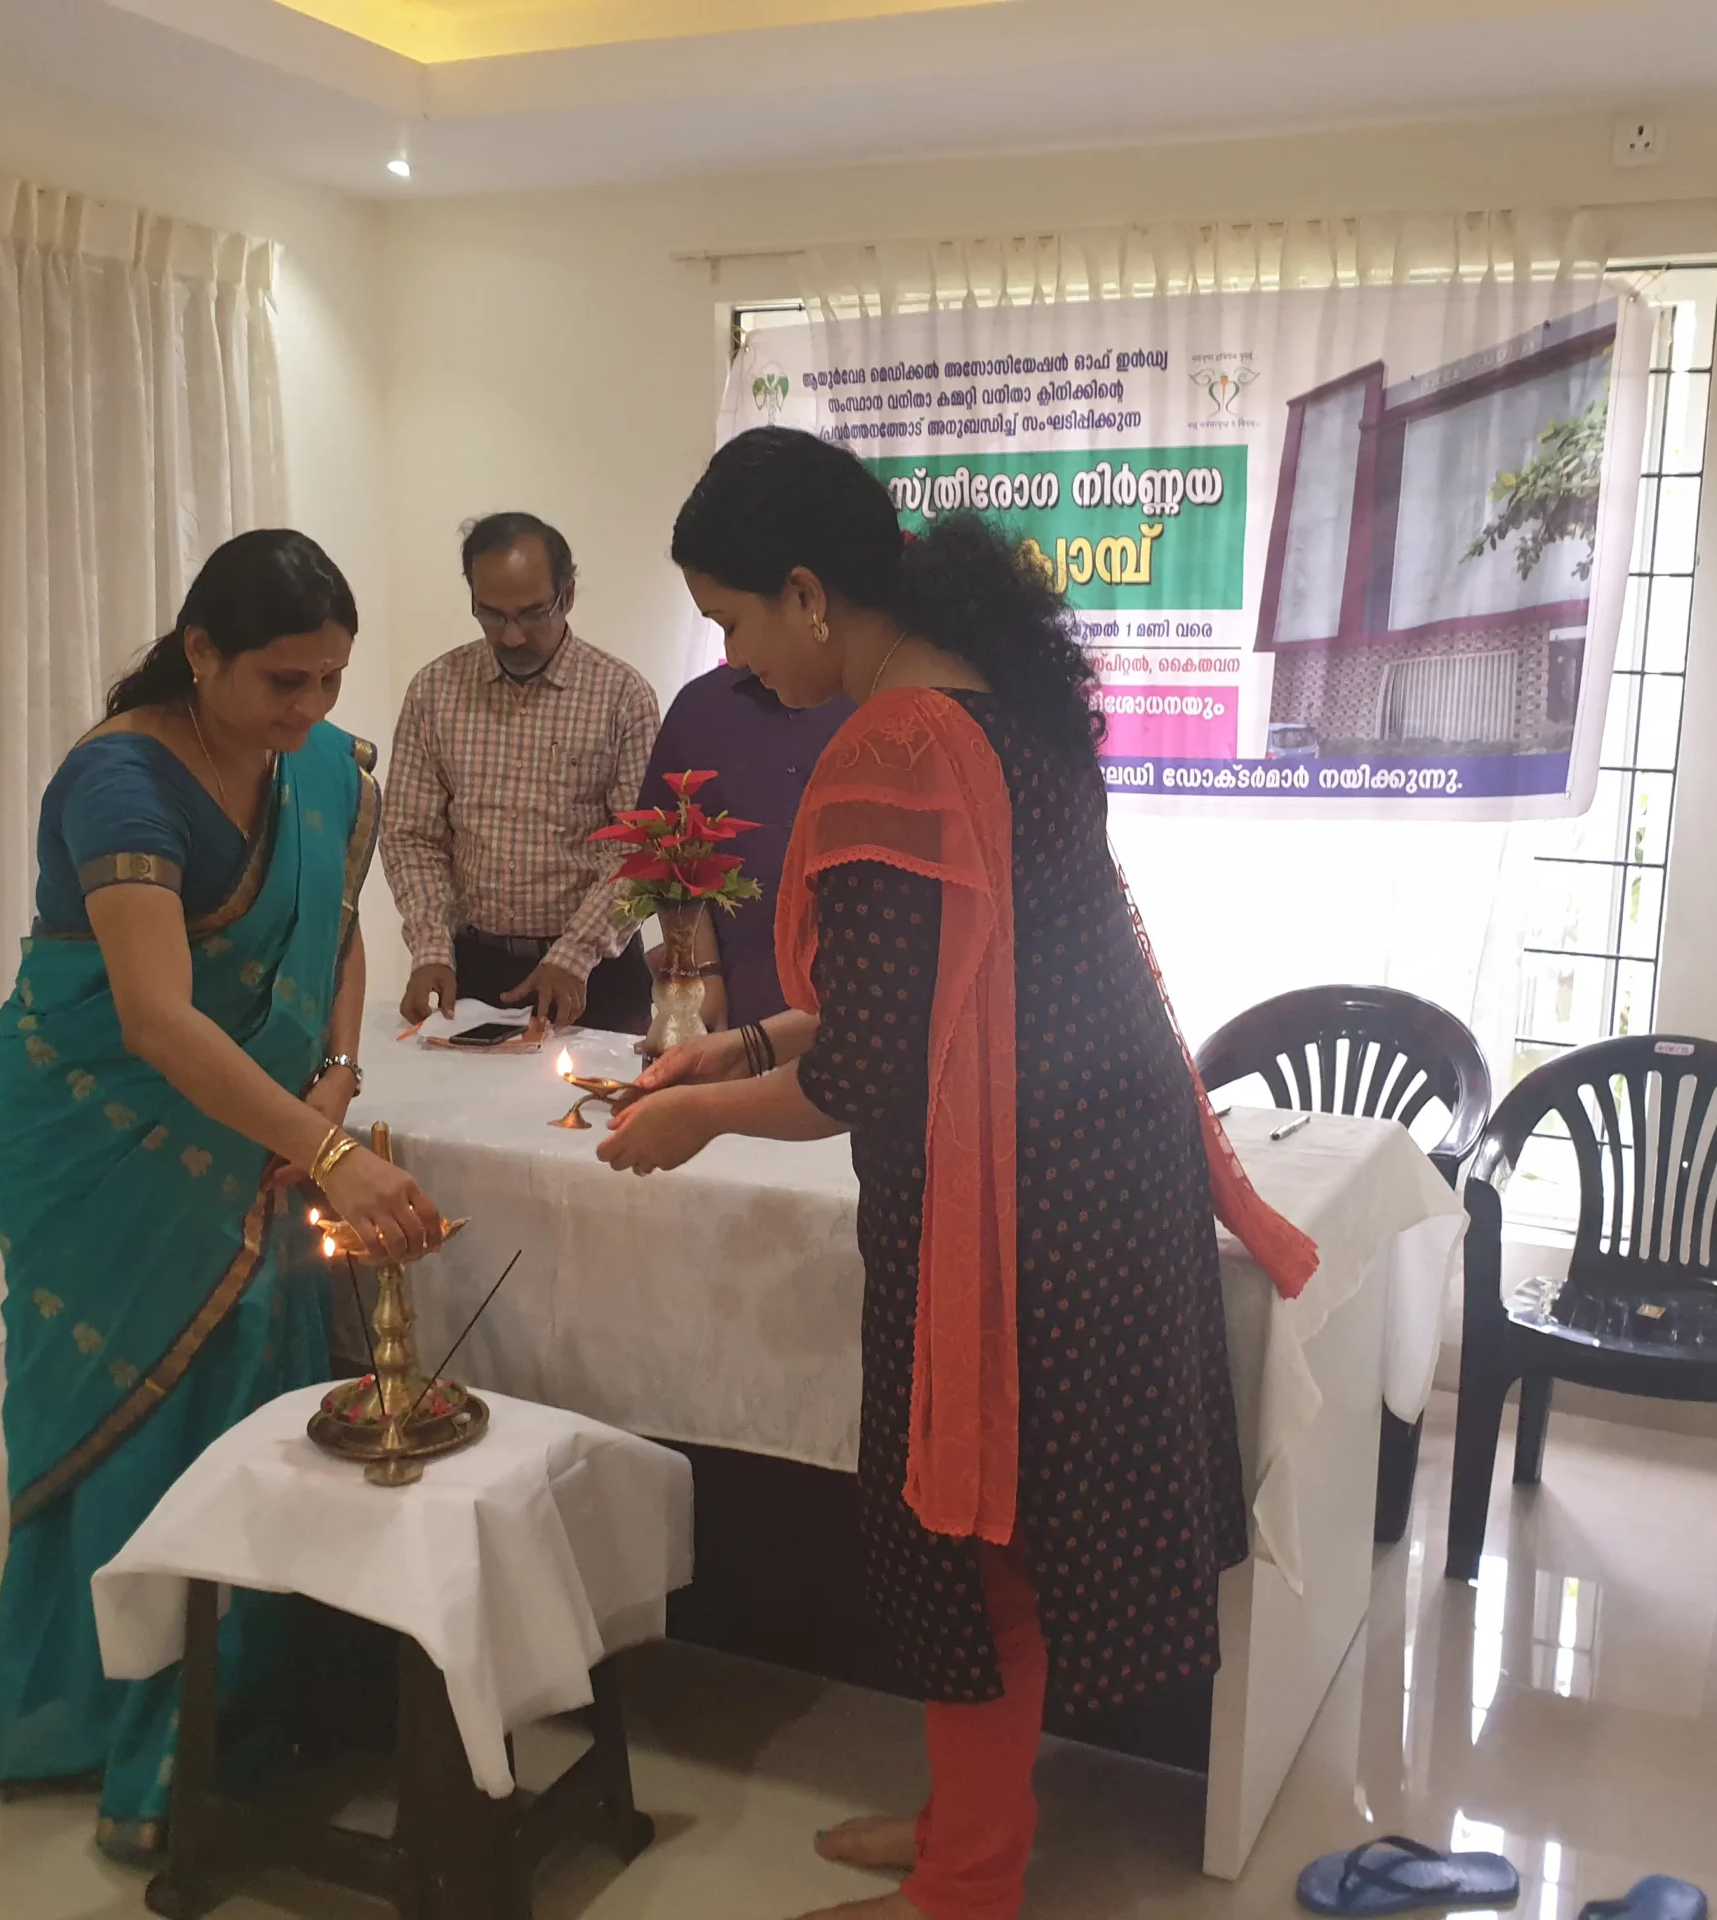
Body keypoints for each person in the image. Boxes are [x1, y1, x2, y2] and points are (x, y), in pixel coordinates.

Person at [596, 428, 1316, 1920]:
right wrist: (740, 1045)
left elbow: (867, 1075)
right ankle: (965, 1828)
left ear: (808, 594)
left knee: (975, 1538)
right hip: (1099, 1172)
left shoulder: (892, 746)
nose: (734, 663)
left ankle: (965, 1887)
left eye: (733, 621)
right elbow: (939, 994)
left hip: (1013, 1207)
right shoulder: (1002, 702)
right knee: (997, 1535)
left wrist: (701, 1117)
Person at [0, 529, 449, 1864]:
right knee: (133, 1422)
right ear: (201, 653)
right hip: (98, 1136)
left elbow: (337, 934)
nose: (311, 710)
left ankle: (254, 1705)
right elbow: (154, 1018)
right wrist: (330, 1153)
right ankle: (115, 1732)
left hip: (260, 1128)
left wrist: (339, 1076)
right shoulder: (121, 783)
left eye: (331, 680)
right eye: (283, 681)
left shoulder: (323, 771)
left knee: (251, 1399)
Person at [383, 512, 661, 1032]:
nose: (511, 636)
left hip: (594, 976)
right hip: (472, 969)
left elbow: (640, 848)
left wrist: (575, 953)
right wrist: (430, 947)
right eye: (491, 614)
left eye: (533, 614)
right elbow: (411, 835)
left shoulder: (623, 697)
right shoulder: (434, 690)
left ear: (567, 595)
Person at [633, 661, 851, 1031]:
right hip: (737, 996)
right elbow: (666, 850)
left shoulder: (872, 700)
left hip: (858, 996)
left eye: (733, 630)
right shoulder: (701, 706)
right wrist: (703, 973)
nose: (730, 649)